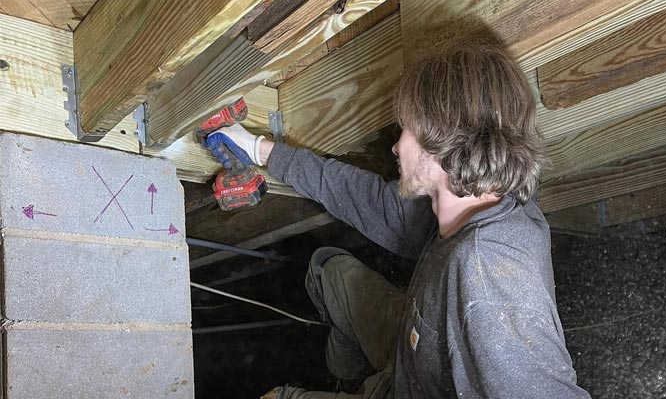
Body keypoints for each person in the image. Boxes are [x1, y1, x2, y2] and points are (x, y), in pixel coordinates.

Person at [207, 38, 591, 399]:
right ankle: (348, 377)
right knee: (326, 269)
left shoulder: (488, 271)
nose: (395, 144)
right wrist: (260, 149)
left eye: (405, 128)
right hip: (412, 352)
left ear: (441, 140)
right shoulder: (475, 204)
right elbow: (363, 199)